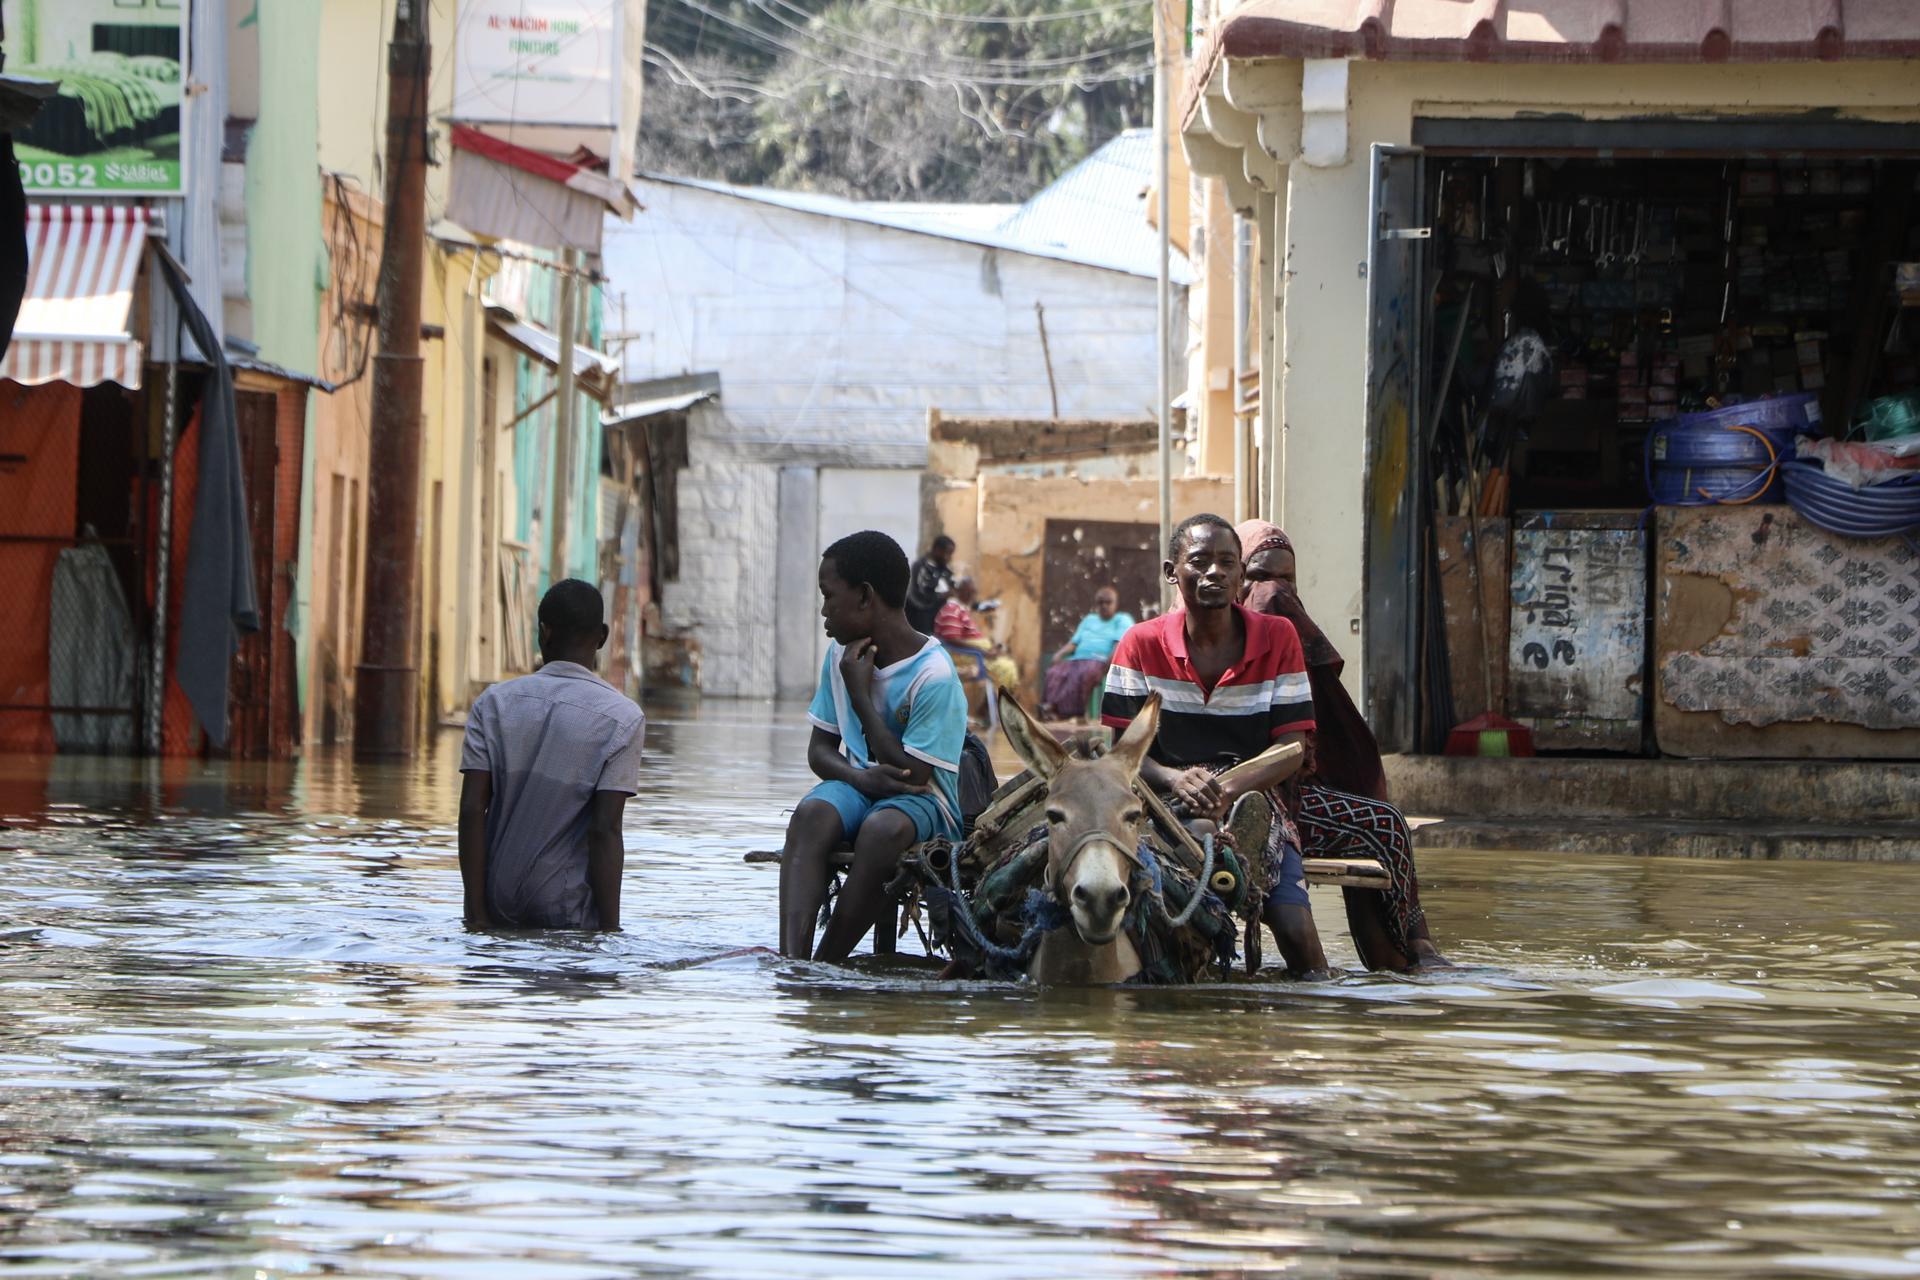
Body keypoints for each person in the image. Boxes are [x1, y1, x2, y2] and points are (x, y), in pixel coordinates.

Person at [1100, 513, 1328, 977]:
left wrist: (1226, 787)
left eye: (1227, 563)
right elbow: (1120, 753)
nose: (1215, 574)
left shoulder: (1278, 637)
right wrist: (1173, 778)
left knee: (1296, 933)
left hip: (1252, 796)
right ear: (1171, 572)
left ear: (1241, 574)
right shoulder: (1139, 643)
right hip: (1161, 796)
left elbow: (1292, 748)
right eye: (1200, 562)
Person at [1236, 520, 1448, 970]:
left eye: (1284, 579)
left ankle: (1400, 960)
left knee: (1379, 827)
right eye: (1256, 576)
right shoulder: (1221, 636)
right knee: (1384, 824)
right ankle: (1414, 952)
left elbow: (1315, 741)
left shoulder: (1286, 640)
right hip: (1249, 797)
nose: (1271, 590)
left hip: (1288, 791)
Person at [780, 530, 969, 963]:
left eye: (830, 597)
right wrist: (857, 776)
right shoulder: (840, 657)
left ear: (865, 597)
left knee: (881, 830)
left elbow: (911, 777)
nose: (824, 610)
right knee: (811, 815)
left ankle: (826, 964)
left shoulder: (934, 674)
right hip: (861, 784)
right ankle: (792, 963)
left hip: (924, 802)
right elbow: (819, 750)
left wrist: (862, 697)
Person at [458, 579, 645, 931]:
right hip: (567, 911)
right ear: (602, 637)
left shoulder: (493, 704)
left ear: (542, 632)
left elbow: (471, 809)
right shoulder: (622, 718)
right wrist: (611, 932)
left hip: (496, 903)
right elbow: (605, 831)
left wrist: (476, 914)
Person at [1042, 586, 1132, 720]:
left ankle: (1069, 712)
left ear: (1115, 603)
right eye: (1101, 602)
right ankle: (1051, 708)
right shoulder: (1089, 620)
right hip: (1077, 659)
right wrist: (1059, 654)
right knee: (1055, 672)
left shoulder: (1122, 619)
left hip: (1099, 661)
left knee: (1083, 674)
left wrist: (1109, 663)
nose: (1104, 606)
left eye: (1108, 602)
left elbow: (1119, 644)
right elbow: (1074, 643)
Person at [934, 576, 1019, 700]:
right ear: (959, 591)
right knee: (1006, 668)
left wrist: (990, 650)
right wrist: (983, 652)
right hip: (964, 657)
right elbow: (952, 639)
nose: (972, 595)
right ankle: (997, 707)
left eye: (973, 592)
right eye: (968, 591)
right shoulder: (951, 609)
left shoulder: (962, 609)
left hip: (976, 654)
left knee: (1008, 665)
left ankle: (993, 707)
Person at [904, 535, 956, 633]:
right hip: (920, 616)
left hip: (940, 617)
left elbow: (953, 587)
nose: (948, 557)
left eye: (950, 554)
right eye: (947, 553)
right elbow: (919, 595)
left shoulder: (946, 570)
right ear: (937, 549)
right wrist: (942, 596)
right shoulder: (921, 566)